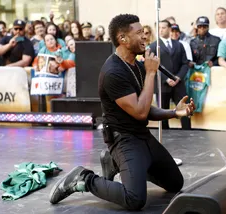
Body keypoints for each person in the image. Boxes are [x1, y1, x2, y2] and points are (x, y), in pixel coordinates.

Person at [49, 14, 196, 211]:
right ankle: (83, 178)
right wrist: (152, 73)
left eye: (144, 32)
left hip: (142, 136)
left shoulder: (137, 66)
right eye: (139, 33)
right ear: (123, 39)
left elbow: (144, 107)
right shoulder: (113, 72)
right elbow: (140, 112)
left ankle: (117, 163)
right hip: (124, 139)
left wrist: (174, 113)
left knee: (175, 183)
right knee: (134, 199)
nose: (145, 37)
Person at [149, 20, 191, 130]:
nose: (161, 30)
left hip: (178, 83)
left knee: (184, 108)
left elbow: (185, 63)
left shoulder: (179, 44)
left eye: (163, 27)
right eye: (159, 28)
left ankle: (187, 131)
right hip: (162, 84)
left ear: (169, 29)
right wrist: (166, 79)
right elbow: (152, 65)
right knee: (163, 111)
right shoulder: (154, 46)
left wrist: (178, 77)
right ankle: (165, 134)